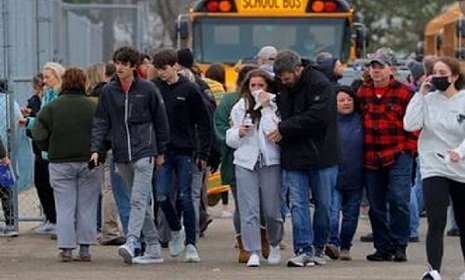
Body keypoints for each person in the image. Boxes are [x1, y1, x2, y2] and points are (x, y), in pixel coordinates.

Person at [90, 46, 170, 265]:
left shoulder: (148, 89)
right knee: (138, 202)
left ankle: (132, 241)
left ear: (133, 66)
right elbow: (101, 122)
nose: (120, 67)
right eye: (117, 63)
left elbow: (161, 121)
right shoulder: (108, 92)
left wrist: (161, 151)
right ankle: (153, 247)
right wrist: (96, 149)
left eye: (124, 64)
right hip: (121, 153)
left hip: (145, 151)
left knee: (137, 198)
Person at [270, 50, 334, 267]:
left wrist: (284, 128)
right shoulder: (278, 85)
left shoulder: (320, 84)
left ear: (298, 70)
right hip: (293, 153)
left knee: (323, 204)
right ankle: (303, 248)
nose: (283, 82)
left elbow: (318, 117)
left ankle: (319, 247)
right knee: (298, 204)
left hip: (321, 153)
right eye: (280, 78)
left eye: (286, 78)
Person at [404, 56, 465, 280]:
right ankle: (434, 271)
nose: (438, 77)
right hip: (433, 166)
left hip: (461, 167)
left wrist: (460, 152)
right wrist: (420, 95)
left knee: (462, 220)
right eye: (435, 73)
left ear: (455, 76)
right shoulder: (427, 99)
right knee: (436, 220)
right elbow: (410, 125)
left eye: (443, 73)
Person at [32, 67, 102, 262]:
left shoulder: (52, 107)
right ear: (84, 83)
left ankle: (66, 249)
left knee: (64, 206)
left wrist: (49, 147)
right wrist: (100, 152)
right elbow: (104, 131)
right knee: (87, 206)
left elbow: (38, 132)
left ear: (64, 82)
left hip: (60, 161)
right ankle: (85, 249)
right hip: (90, 161)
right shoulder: (93, 106)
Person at [152, 48, 211, 263]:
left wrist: (203, 152)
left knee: (187, 197)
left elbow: (204, 123)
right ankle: (176, 229)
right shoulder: (154, 88)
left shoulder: (190, 90)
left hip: (185, 151)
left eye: (165, 69)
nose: (161, 73)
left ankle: (191, 244)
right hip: (162, 152)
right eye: (158, 69)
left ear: (175, 66)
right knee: (162, 195)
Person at [357, 48, 415, 262]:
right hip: (371, 156)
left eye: (380, 67)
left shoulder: (404, 92)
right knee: (376, 204)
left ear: (391, 69)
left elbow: (415, 123)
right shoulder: (362, 91)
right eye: (373, 67)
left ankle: (400, 244)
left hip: (398, 153)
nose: (376, 71)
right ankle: (382, 246)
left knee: (399, 199)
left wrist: (409, 148)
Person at [226, 69, 283, 267]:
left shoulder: (276, 105)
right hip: (245, 162)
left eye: (261, 86)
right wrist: (238, 133)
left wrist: (266, 108)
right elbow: (230, 138)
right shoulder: (240, 106)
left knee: (271, 209)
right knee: (248, 209)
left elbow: (272, 133)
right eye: (253, 86)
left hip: (270, 161)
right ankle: (253, 251)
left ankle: (274, 243)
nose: (257, 90)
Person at [19, 62, 65, 236]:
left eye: (47, 77)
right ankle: (53, 220)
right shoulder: (47, 95)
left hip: (57, 148)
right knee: (47, 184)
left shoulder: (59, 96)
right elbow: (43, 120)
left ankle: (60, 222)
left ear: (58, 76)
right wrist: (30, 122)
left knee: (57, 188)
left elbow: (52, 121)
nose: (44, 81)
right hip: (46, 148)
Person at [325, 86, 364, 261]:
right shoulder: (328, 121)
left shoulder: (361, 119)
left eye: (349, 99)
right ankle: (332, 243)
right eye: (341, 100)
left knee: (351, 215)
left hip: (356, 176)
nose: (346, 103)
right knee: (332, 214)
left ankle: (345, 246)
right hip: (333, 176)